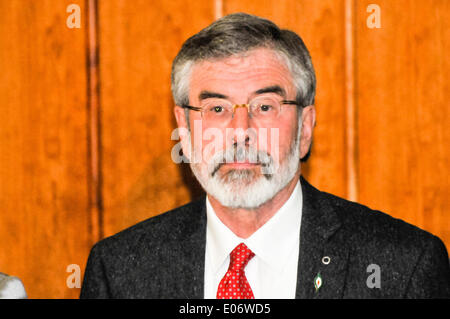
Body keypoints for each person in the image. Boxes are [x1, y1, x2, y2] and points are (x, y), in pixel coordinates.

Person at [80, 13, 450, 299]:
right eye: (217, 109)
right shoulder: (119, 272)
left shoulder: (403, 266)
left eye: (265, 106)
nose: (241, 131)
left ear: (305, 128)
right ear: (185, 128)